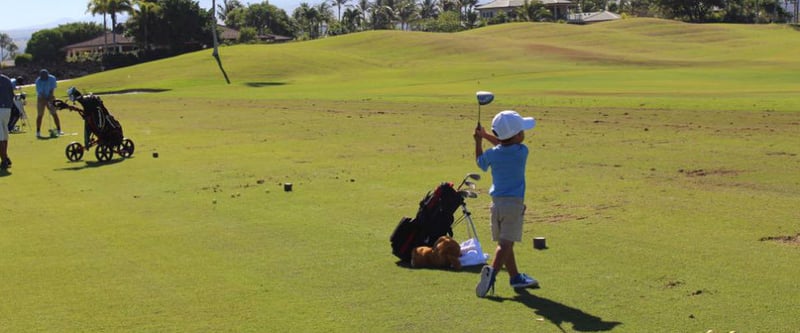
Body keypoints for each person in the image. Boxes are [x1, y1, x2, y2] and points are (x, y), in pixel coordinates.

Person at [473, 110, 539, 298]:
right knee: (505, 244)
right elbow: (505, 146)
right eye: (522, 131)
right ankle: (491, 273)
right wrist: (486, 136)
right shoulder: (522, 151)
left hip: (496, 205)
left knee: (506, 242)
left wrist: (479, 140)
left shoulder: (493, 155)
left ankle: (515, 277)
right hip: (514, 205)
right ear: (518, 135)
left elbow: (481, 161)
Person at [35, 69, 62, 138]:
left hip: (51, 97)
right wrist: (45, 100)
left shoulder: (52, 78)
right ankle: (38, 132)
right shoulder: (38, 81)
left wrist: (49, 100)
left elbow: (52, 89)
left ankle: (59, 130)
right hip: (41, 98)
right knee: (40, 115)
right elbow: (40, 93)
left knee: (54, 113)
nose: (44, 78)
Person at [0, 73, 15, 169]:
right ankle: (5, 156)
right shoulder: (7, 79)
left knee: (0, 137)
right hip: (7, 109)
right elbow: (11, 94)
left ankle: (4, 160)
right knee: (4, 135)